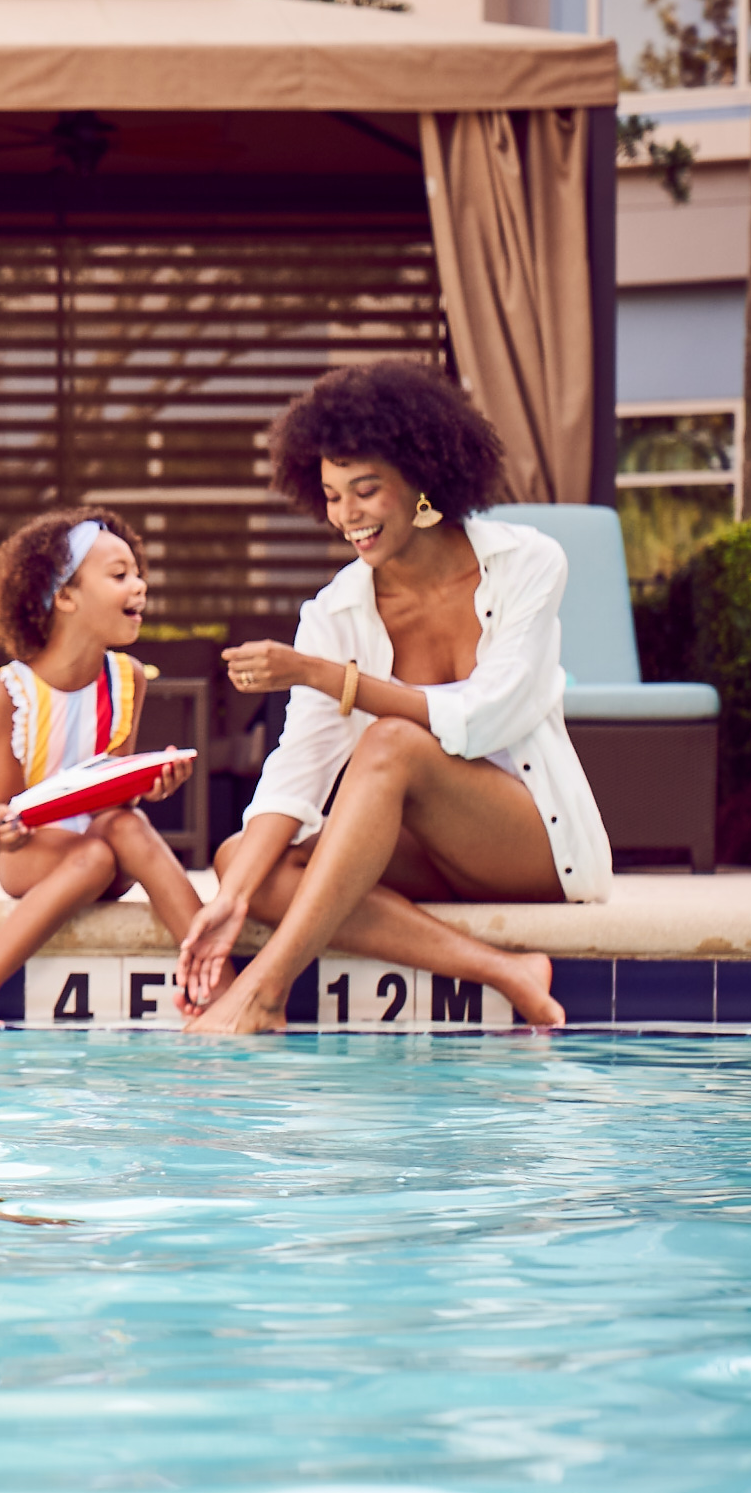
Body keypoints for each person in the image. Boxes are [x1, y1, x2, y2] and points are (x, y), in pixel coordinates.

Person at [175, 362, 608, 1034]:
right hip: (423, 849)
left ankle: (266, 988)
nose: (346, 516)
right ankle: (502, 969)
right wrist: (229, 901)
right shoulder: (333, 611)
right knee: (242, 859)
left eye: (365, 490)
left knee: (392, 742)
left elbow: (482, 716)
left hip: (529, 843)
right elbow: (299, 768)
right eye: (330, 495)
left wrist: (326, 676)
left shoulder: (526, 562)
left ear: (420, 479)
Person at [0, 508, 199, 1024]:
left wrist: (149, 785)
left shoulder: (129, 679)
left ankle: (220, 986)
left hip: (103, 842)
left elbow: (113, 796)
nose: (139, 585)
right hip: (29, 851)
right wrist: (7, 833)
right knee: (96, 856)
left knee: (128, 825)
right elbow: (7, 816)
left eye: (137, 572)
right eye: (119, 575)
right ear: (67, 596)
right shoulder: (7, 694)